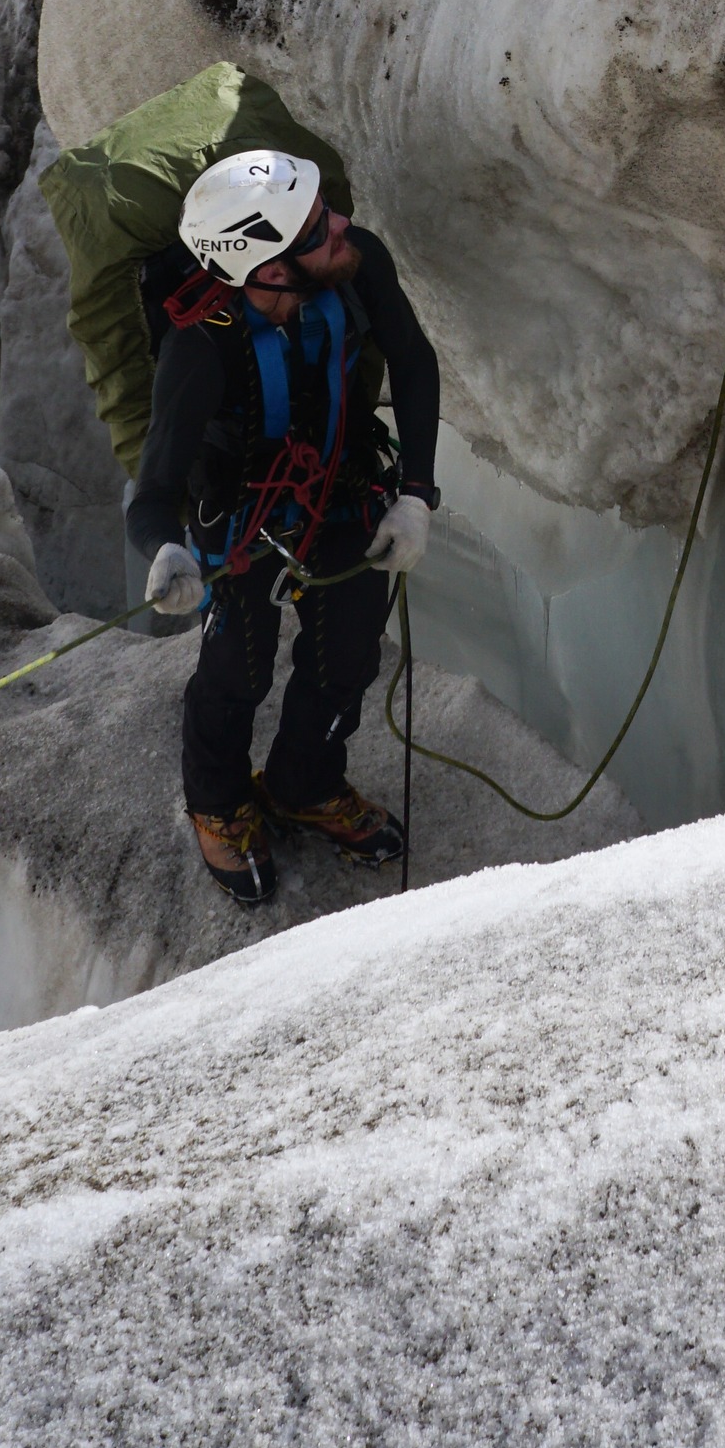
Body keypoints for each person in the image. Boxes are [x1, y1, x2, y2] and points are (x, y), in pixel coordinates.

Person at [129, 148, 442, 906]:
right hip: (239, 516)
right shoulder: (199, 348)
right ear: (268, 270)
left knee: (351, 652)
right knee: (237, 667)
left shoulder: (354, 265)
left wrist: (416, 494)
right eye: (315, 228)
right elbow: (155, 490)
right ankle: (217, 802)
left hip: (341, 490)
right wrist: (166, 550)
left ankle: (305, 782)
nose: (342, 225)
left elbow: (413, 358)